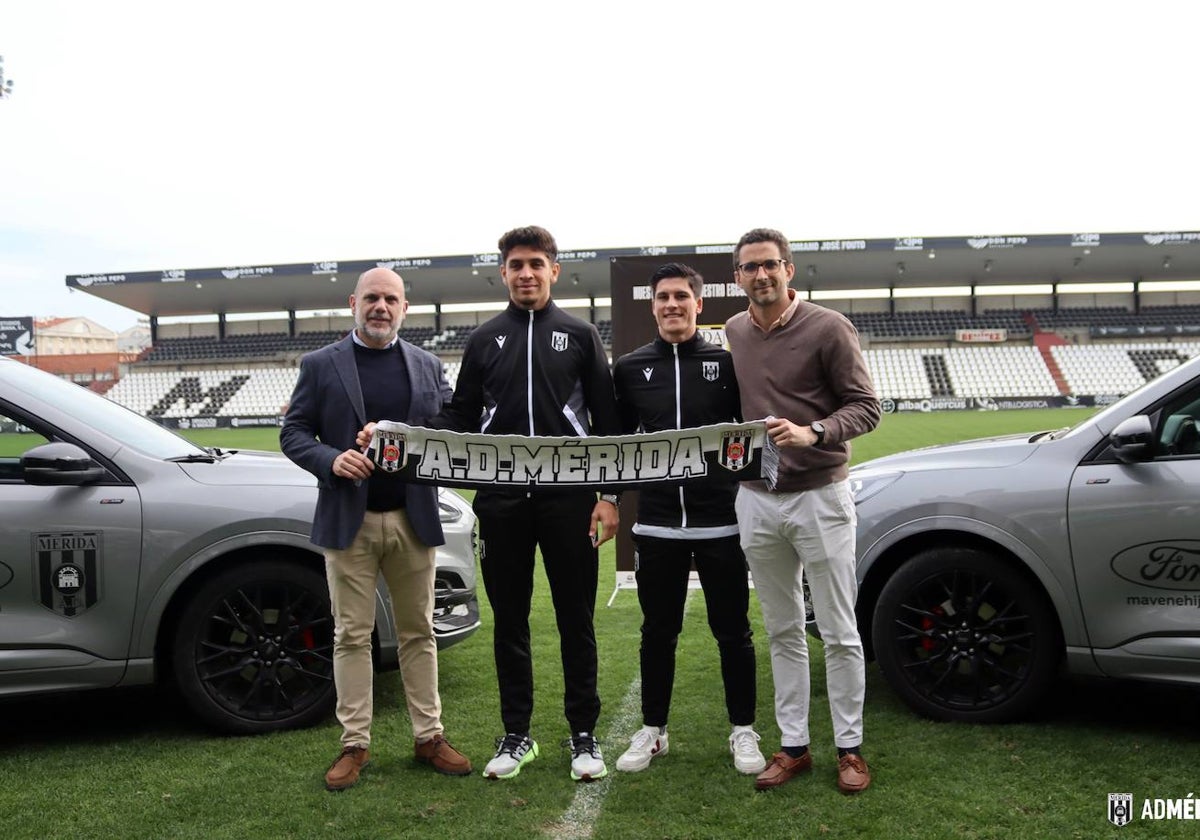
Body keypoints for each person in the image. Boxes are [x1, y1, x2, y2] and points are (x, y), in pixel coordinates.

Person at [433, 225, 621, 782]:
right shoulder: (484, 338)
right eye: (516, 264)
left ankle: (583, 734)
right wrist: (405, 436)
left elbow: (608, 424)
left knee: (575, 619)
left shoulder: (581, 334)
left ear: (554, 270)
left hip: (571, 503)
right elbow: (461, 421)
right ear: (504, 272)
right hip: (502, 504)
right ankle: (517, 735)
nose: (526, 273)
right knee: (509, 621)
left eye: (536, 263)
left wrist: (608, 496)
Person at [280, 267, 471, 791]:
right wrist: (331, 459)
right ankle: (354, 744)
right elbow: (293, 432)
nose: (380, 307)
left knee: (419, 633)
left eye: (390, 299)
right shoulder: (321, 365)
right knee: (351, 636)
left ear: (404, 308)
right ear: (353, 304)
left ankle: (428, 736)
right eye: (372, 298)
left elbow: (450, 427)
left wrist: (407, 437)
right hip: (350, 519)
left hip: (413, 519)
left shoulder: (428, 365)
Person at [724, 228, 881, 794]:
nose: (760, 275)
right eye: (749, 268)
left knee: (838, 630)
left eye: (769, 265)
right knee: (782, 628)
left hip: (820, 493)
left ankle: (850, 748)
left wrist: (813, 431)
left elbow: (867, 408)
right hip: (757, 499)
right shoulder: (734, 331)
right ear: (737, 276)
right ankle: (793, 748)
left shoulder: (829, 326)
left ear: (788, 269)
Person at [610, 262, 764, 775]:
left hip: (722, 523)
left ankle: (743, 729)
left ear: (699, 304)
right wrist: (608, 497)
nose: (672, 304)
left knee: (733, 632)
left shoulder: (729, 363)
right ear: (652, 305)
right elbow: (618, 445)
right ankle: (653, 730)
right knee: (658, 631)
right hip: (655, 526)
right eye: (663, 297)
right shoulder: (630, 368)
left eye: (681, 296)